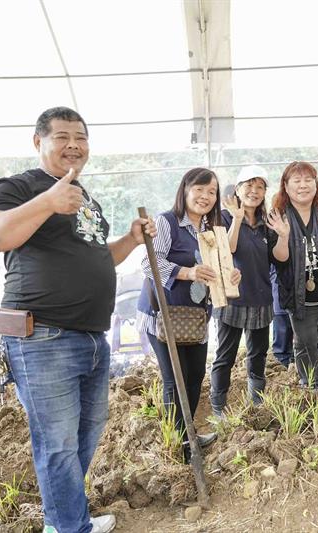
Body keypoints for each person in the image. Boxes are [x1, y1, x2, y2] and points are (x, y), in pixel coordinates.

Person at [0, 106, 156, 533]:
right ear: (38, 141)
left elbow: (98, 257)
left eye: (81, 137)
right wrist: (47, 201)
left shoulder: (85, 198)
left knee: (86, 433)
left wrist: (131, 240)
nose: (74, 145)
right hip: (43, 336)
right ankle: (69, 527)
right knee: (57, 444)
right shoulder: (19, 187)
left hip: (91, 337)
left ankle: (64, 518)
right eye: (62, 137)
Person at [136, 167, 240, 446]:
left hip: (195, 317)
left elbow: (215, 271)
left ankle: (187, 436)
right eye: (199, 189)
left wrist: (229, 275)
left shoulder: (210, 231)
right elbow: (148, 262)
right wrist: (188, 272)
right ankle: (177, 444)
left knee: (195, 376)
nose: (205, 196)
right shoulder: (167, 222)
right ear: (184, 190)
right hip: (164, 315)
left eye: (212, 192)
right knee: (175, 380)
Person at [210, 165, 288, 416]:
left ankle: (257, 404)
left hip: (261, 296)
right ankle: (218, 409)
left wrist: (283, 235)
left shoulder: (267, 223)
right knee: (225, 355)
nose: (254, 191)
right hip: (232, 298)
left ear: (265, 192)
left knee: (258, 354)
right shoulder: (223, 217)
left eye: (260, 187)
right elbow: (227, 250)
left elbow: (279, 258)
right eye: (249, 186)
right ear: (237, 189)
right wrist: (237, 219)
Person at [271, 161, 318, 389]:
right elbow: (278, 260)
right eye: (297, 180)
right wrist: (283, 236)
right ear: (286, 186)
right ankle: (310, 387)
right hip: (298, 293)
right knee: (304, 344)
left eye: (308, 180)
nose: (303, 185)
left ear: (316, 184)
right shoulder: (278, 216)